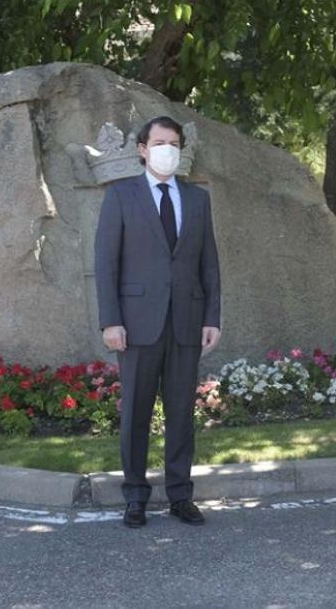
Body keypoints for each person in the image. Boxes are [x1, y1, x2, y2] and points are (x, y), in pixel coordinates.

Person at [94, 115, 222, 528]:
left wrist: (211, 317)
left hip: (186, 321)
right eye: (160, 142)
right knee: (135, 412)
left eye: (174, 143)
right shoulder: (121, 196)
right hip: (136, 325)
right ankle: (135, 497)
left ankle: (181, 495)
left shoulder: (197, 199)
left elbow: (209, 264)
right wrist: (110, 322)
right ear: (142, 149)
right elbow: (105, 264)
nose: (167, 149)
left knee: (182, 413)